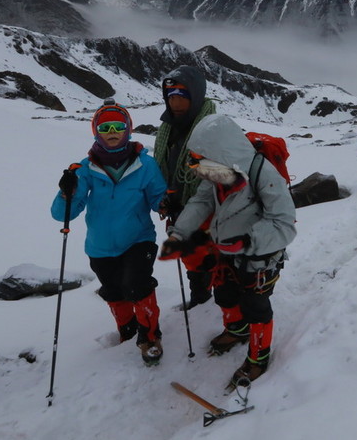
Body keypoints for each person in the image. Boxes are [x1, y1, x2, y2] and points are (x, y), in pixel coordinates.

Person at [159, 114, 297, 390]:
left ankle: (258, 357)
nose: (196, 164)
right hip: (227, 251)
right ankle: (237, 330)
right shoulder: (218, 173)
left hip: (260, 257)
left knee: (255, 306)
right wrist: (180, 233)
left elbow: (284, 224)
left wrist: (248, 242)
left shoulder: (264, 175)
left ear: (220, 151)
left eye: (201, 157)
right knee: (225, 293)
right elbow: (200, 201)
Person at [52, 101, 168, 366]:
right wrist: (66, 192)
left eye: (119, 126)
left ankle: (150, 336)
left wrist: (166, 203)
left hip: (138, 239)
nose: (112, 131)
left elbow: (157, 199)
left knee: (137, 285)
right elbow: (63, 214)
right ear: (96, 131)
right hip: (101, 246)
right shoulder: (85, 169)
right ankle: (127, 331)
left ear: (128, 130)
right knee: (114, 291)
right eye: (106, 127)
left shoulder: (145, 165)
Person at [152, 66, 218, 309]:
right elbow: (162, 163)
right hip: (177, 203)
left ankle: (207, 297)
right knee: (190, 253)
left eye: (182, 93)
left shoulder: (212, 126)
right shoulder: (167, 128)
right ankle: (202, 295)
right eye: (170, 95)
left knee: (202, 252)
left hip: (205, 204)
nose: (175, 100)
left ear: (195, 94)